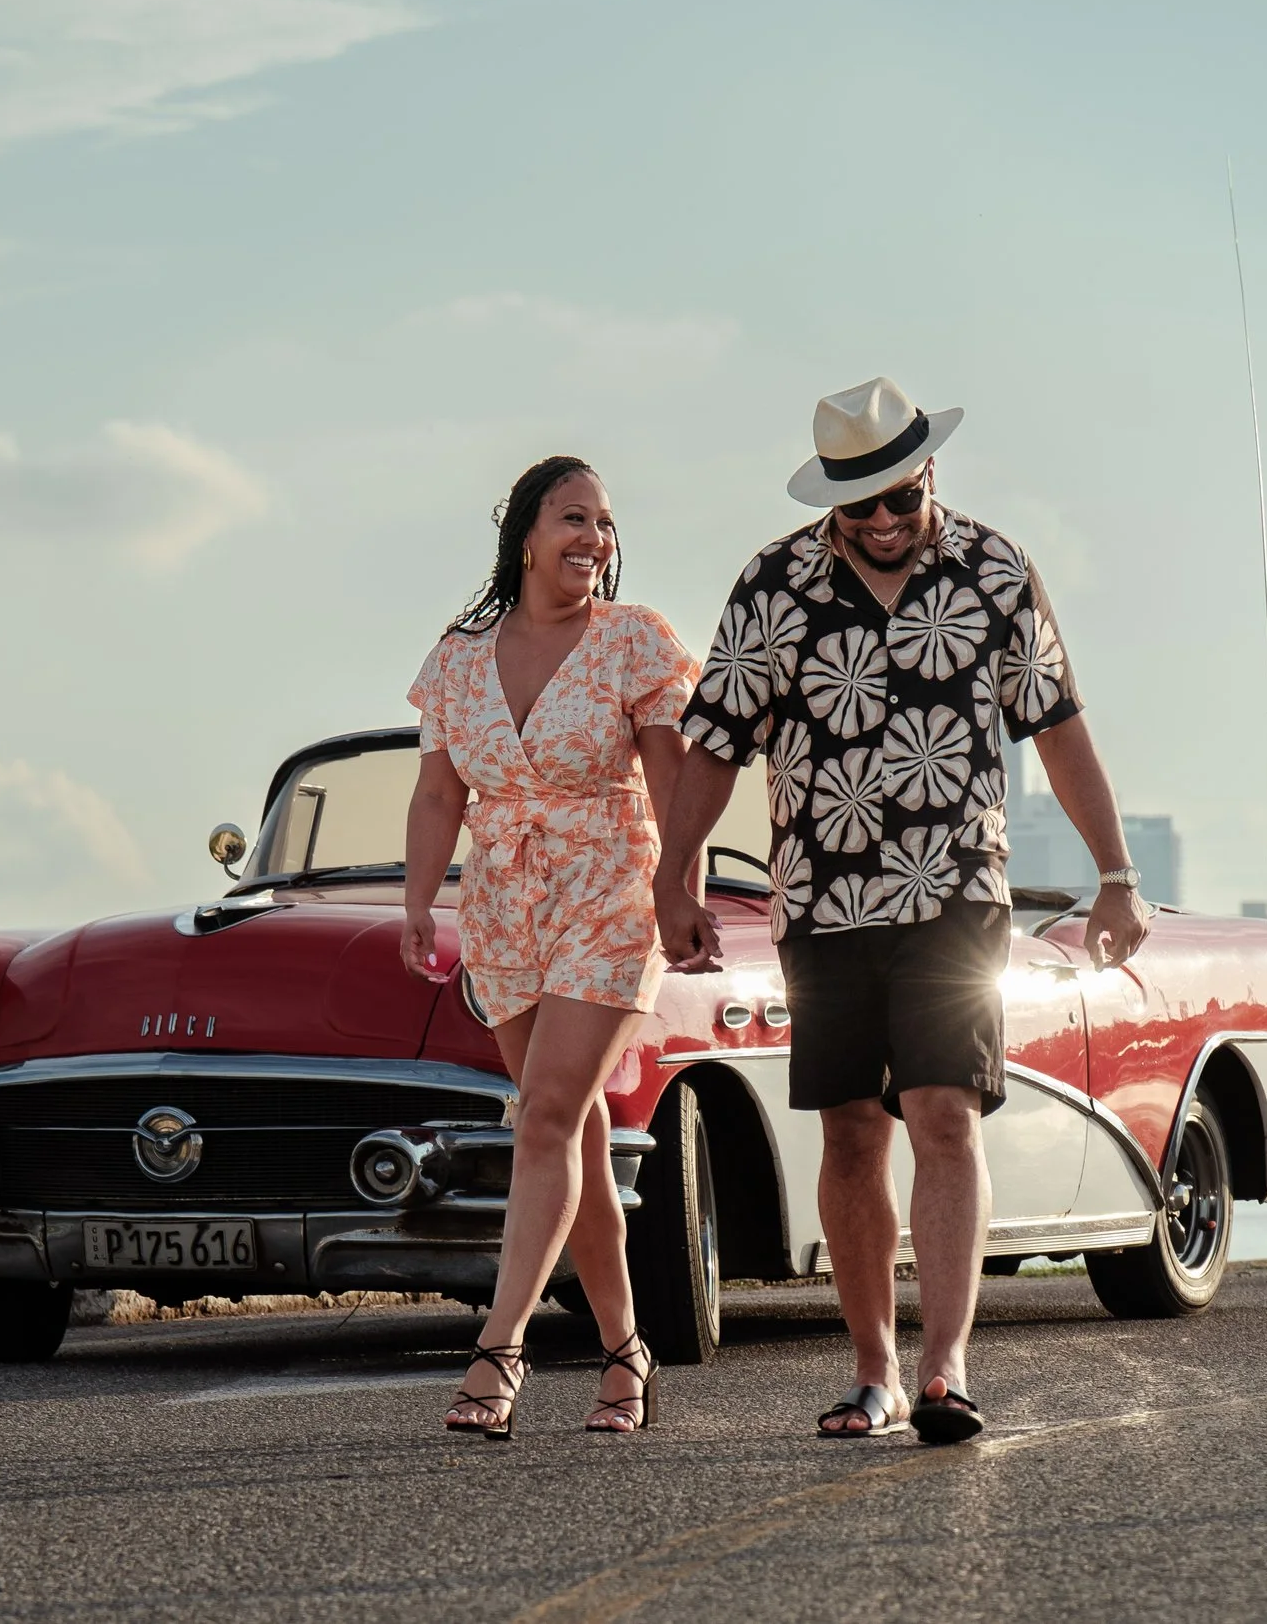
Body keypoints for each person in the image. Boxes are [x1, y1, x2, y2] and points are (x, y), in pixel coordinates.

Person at [650, 377, 1150, 1444]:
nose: (881, 522)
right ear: (830, 501)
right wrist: (675, 876)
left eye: (898, 499)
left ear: (932, 474)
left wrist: (1116, 871)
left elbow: (1055, 725)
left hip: (954, 891)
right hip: (821, 899)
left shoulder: (996, 568)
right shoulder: (773, 582)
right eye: (857, 506)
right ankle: (871, 1371)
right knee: (848, 1134)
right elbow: (714, 742)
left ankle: (945, 1369)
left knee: (943, 1112)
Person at [400, 455, 698, 1439]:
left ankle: (500, 1347)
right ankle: (624, 1356)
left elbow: (673, 780)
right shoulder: (457, 655)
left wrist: (678, 891)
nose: (594, 541)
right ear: (525, 531)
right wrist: (416, 905)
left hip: (610, 894)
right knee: (567, 1136)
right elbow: (440, 792)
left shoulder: (635, 641)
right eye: (574, 519)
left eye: (605, 524)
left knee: (547, 1114)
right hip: (503, 906)